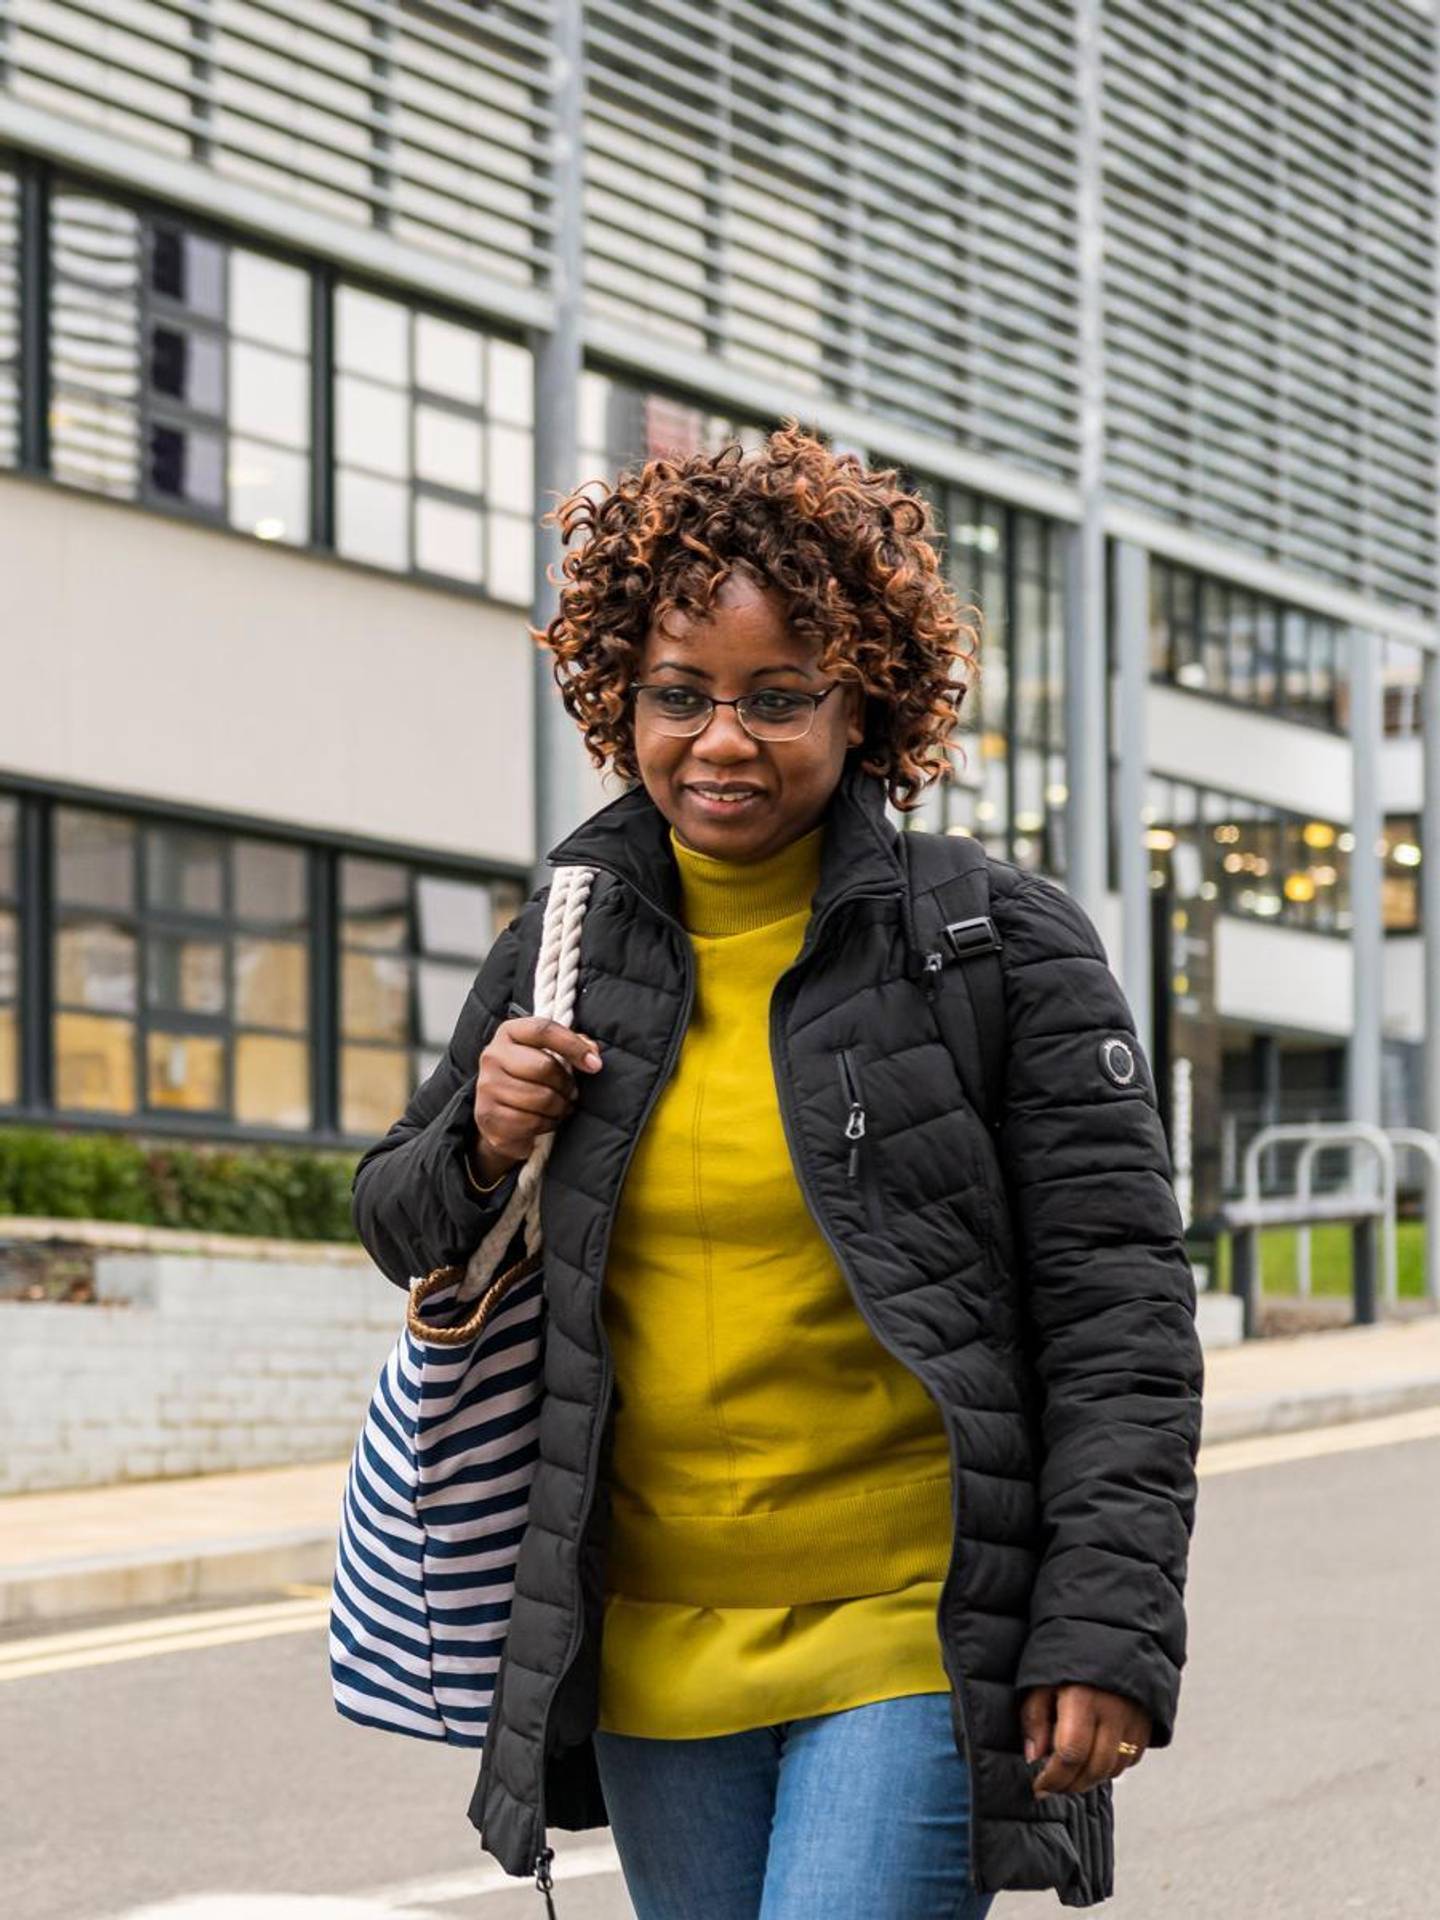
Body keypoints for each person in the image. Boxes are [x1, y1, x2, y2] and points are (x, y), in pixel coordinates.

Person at [351, 425, 1205, 1918]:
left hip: (908, 1628)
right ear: (622, 700)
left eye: (776, 698)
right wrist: (483, 1136)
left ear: (867, 698)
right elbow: (394, 1216)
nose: (721, 741)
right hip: (654, 1654)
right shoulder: (566, 941)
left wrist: (1105, 1631)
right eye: (679, 696)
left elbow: (1122, 1323)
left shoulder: (998, 945)